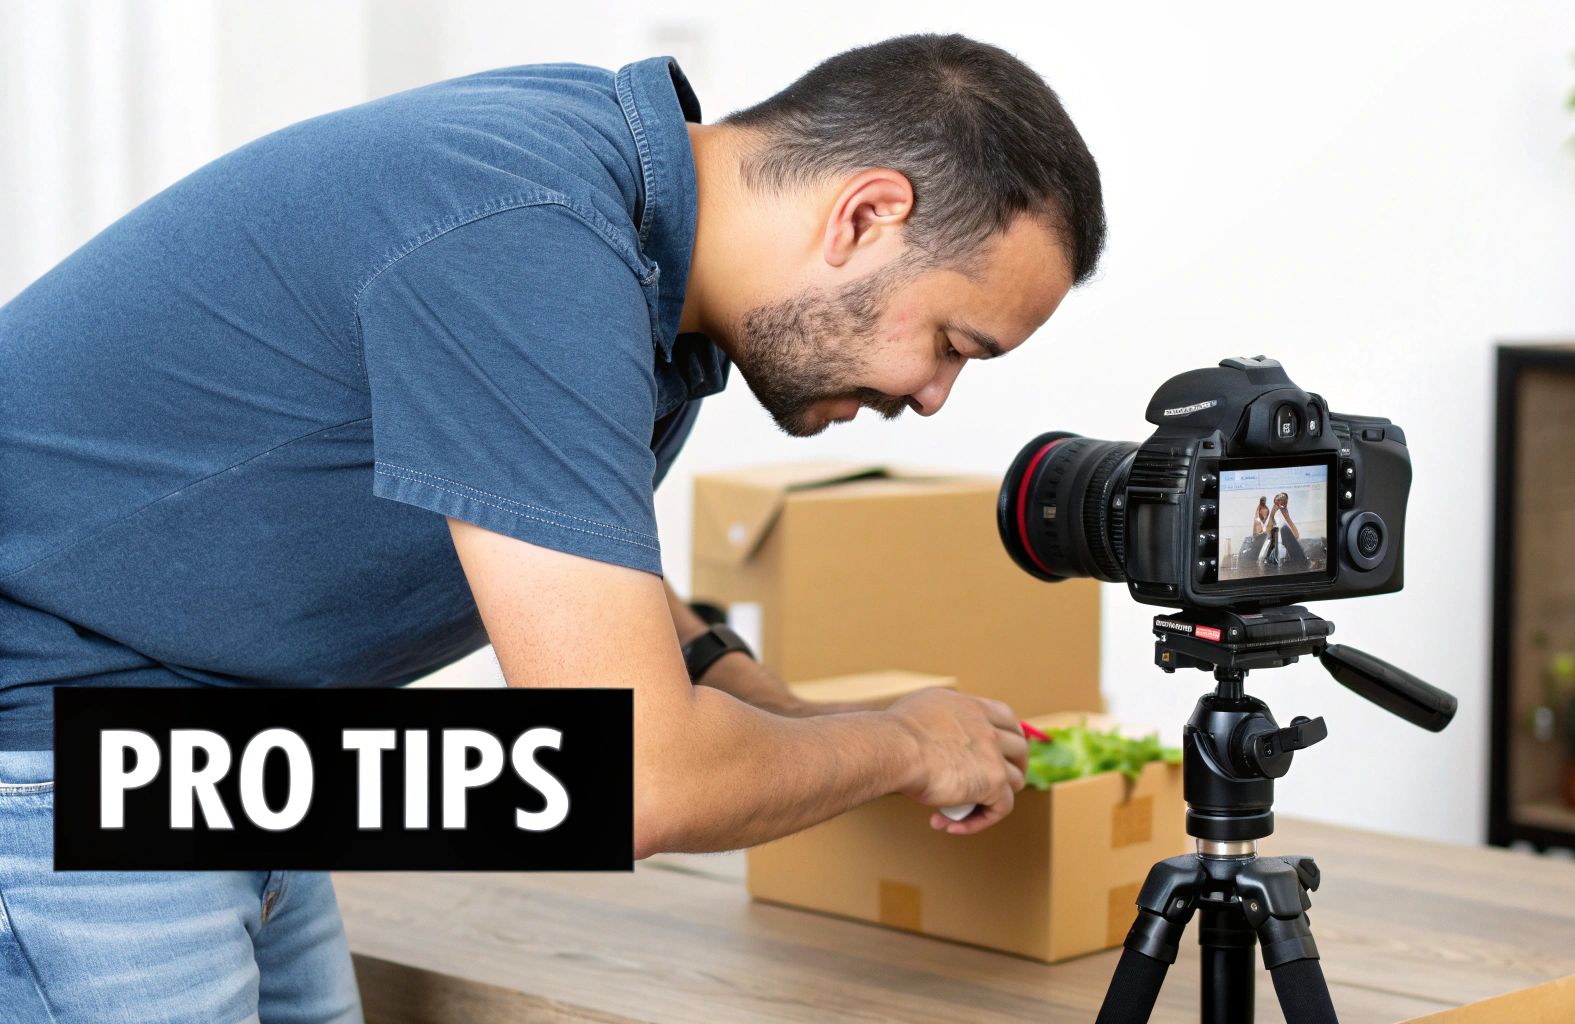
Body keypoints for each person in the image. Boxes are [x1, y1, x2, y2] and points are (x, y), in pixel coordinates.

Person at [0, 35, 1104, 1022]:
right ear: (865, 215)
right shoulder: (529, 239)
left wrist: (783, 717)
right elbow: (634, 782)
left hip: (210, 757)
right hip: (59, 763)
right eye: (955, 342)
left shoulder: (620, 227)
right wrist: (904, 743)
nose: (933, 398)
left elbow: (563, 549)